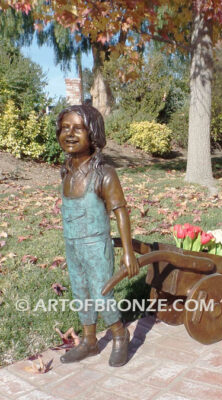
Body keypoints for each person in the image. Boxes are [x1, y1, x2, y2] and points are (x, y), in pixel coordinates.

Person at [56, 104, 139, 367]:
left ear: (94, 134)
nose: (69, 133)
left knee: (102, 292)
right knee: (81, 291)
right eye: (64, 128)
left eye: (78, 128)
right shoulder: (66, 171)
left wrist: (128, 253)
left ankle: (119, 334)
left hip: (95, 244)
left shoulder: (104, 174)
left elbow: (120, 212)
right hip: (72, 244)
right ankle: (90, 341)